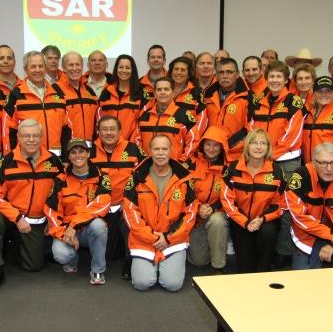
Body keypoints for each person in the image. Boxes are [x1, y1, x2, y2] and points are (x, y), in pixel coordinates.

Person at [0, 120, 64, 293]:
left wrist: (52, 219)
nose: (31, 140)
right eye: (27, 136)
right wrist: (17, 218)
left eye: (35, 136)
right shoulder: (7, 162)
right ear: (19, 137)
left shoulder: (53, 161)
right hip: (10, 215)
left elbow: (61, 193)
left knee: (33, 266)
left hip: (36, 219)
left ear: (42, 137)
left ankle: (12, 244)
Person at [124, 134, 197, 292]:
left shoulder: (185, 178)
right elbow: (130, 213)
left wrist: (168, 238)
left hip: (173, 240)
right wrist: (153, 238)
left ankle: (163, 264)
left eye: (164, 149)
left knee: (172, 285)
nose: (160, 153)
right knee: (142, 283)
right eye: (156, 149)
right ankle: (150, 264)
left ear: (171, 151)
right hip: (144, 240)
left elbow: (190, 215)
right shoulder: (136, 177)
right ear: (150, 151)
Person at [46, 138, 110, 285]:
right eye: (73, 152)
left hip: (88, 229)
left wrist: (74, 225)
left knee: (99, 225)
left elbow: (102, 205)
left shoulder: (102, 177)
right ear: (68, 157)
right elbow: (51, 211)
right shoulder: (60, 180)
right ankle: (72, 260)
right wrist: (63, 233)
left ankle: (98, 269)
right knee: (61, 255)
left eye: (81, 151)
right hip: (66, 230)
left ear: (88, 154)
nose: (77, 155)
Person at [221, 129, 284, 273]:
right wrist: (245, 222)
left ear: (268, 148)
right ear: (247, 146)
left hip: (265, 221)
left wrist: (262, 219)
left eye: (263, 143)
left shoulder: (276, 171)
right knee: (246, 269)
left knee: (267, 234)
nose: (258, 147)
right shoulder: (233, 169)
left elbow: (281, 204)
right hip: (240, 221)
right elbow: (227, 201)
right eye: (254, 143)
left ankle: (264, 268)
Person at [91, 115, 143, 279]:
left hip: (124, 204)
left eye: (112, 129)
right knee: (110, 254)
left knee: (130, 220)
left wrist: (131, 201)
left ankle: (130, 259)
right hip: (101, 207)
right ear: (98, 132)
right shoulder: (90, 151)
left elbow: (143, 178)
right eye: (104, 129)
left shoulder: (133, 149)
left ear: (120, 131)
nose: (108, 133)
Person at [4, 51, 70, 157]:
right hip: (27, 159)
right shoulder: (16, 95)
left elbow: (67, 129)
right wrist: (11, 157)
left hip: (56, 159)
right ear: (25, 69)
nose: (38, 70)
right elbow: (8, 130)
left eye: (41, 66)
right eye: (33, 67)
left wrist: (66, 157)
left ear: (45, 68)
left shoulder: (58, 93)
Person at [186, 127, 231, 273]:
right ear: (202, 145)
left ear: (222, 147)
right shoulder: (190, 163)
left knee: (217, 221)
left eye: (216, 145)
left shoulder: (229, 168)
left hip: (217, 212)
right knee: (199, 261)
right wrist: (198, 207)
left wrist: (213, 208)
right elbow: (182, 191)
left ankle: (219, 266)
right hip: (193, 214)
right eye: (208, 144)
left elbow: (230, 195)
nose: (211, 149)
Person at [249, 60, 304, 176]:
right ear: (266, 79)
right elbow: (252, 131)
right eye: (271, 76)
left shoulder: (293, 102)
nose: (274, 80)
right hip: (262, 160)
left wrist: (271, 155)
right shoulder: (259, 102)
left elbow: (292, 136)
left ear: (286, 80)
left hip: (286, 161)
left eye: (279, 76)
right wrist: (260, 153)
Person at [133, 77, 200, 161]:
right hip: (148, 166)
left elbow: (193, 141)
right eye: (159, 90)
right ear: (154, 94)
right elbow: (136, 140)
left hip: (173, 166)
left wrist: (181, 162)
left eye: (166, 89)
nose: (162, 92)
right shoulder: (144, 115)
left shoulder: (183, 115)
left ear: (173, 93)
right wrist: (143, 161)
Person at [203, 58, 250, 162]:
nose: (225, 76)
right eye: (221, 72)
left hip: (236, 156)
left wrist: (229, 143)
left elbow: (250, 128)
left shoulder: (248, 98)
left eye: (229, 72)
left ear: (237, 74)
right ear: (216, 75)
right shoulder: (206, 97)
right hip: (209, 155)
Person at [97, 54, 148, 141]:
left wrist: (130, 144)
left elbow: (141, 123)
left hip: (131, 144)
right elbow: (100, 120)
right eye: (121, 67)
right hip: (108, 143)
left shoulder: (140, 93)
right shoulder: (107, 92)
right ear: (116, 69)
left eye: (127, 68)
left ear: (133, 70)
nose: (124, 70)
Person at [57, 51, 98, 143]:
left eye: (78, 64)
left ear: (82, 66)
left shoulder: (90, 90)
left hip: (89, 147)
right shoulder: (55, 90)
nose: (75, 68)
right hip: (67, 147)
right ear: (63, 68)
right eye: (71, 65)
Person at [301, 77, 333, 164]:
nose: (323, 94)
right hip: (307, 166)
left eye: (328, 91)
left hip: (329, 167)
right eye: (319, 91)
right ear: (314, 93)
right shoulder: (306, 112)